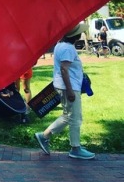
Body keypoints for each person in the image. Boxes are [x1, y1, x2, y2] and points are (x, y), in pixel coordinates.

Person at [35, 23, 95, 160]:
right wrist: (70, 91)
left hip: (64, 85)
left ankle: (45, 136)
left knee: (69, 115)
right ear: (76, 36)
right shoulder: (68, 49)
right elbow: (64, 69)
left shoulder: (60, 45)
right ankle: (75, 148)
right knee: (75, 118)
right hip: (69, 87)